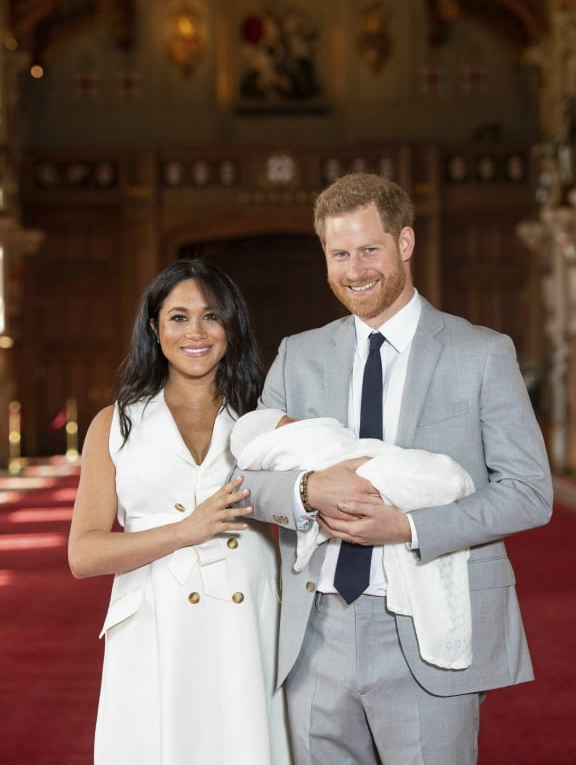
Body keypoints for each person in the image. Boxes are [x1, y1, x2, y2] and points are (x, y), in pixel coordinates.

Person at [237, 173, 553, 765]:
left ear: (404, 243)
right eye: (338, 254)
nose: (354, 270)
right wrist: (308, 489)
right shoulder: (298, 355)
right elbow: (248, 478)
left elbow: (530, 492)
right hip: (315, 630)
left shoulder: (481, 353)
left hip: (425, 623)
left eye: (369, 249)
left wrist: (409, 529)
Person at [68, 258, 292, 765]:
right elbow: (83, 554)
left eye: (211, 316)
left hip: (249, 624)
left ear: (230, 326)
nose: (197, 331)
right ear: (154, 327)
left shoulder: (264, 419)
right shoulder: (115, 424)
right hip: (153, 625)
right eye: (179, 317)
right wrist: (186, 530)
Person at [231, 408, 475, 670]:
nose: (300, 422)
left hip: (404, 607)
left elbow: (522, 487)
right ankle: (443, 480)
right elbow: (241, 483)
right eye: (290, 423)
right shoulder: (289, 373)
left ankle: (443, 480)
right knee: (413, 477)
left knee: (418, 474)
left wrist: (410, 527)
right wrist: (308, 489)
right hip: (318, 618)